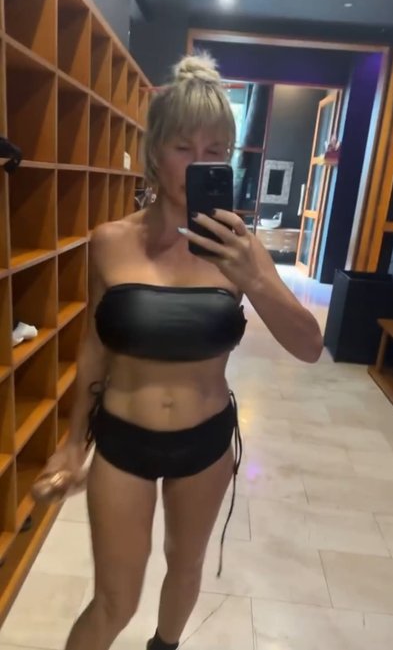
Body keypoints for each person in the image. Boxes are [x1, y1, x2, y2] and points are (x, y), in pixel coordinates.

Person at [41, 52, 323, 650]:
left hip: (205, 442)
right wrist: (71, 443)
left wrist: (254, 278)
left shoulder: (242, 251)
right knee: (114, 601)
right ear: (155, 151)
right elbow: (94, 345)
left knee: (186, 566)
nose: (198, 163)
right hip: (122, 439)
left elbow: (308, 346)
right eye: (183, 147)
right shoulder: (110, 243)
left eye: (215, 150)